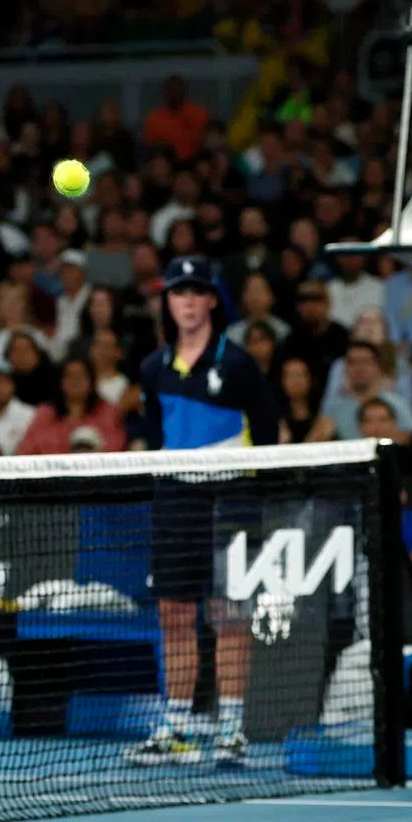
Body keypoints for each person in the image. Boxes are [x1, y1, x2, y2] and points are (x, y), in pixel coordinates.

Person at [125, 256, 278, 769]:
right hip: (175, 498)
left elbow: (268, 431)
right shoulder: (152, 369)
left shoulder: (237, 364)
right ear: (168, 302)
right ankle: (178, 728)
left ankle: (231, 731)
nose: (186, 301)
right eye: (177, 293)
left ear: (212, 300)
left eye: (196, 292)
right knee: (174, 615)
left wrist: (250, 488)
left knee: (229, 614)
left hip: (232, 496)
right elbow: (154, 433)